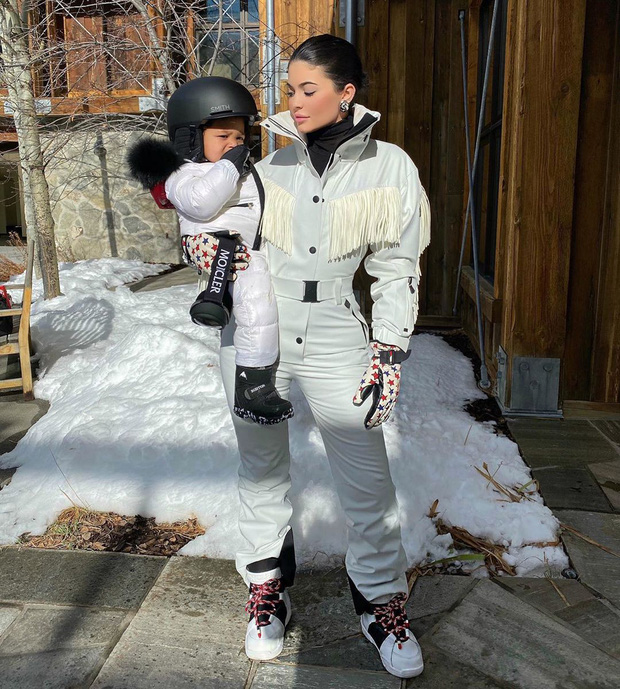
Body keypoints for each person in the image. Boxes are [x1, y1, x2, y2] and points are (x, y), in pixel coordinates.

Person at [196, 35, 431, 679]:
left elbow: (397, 270)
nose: (293, 102)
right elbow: (214, 228)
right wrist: (205, 251)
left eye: (308, 89)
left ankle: (381, 604)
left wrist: (389, 348)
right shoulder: (267, 167)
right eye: (289, 90)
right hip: (257, 331)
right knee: (261, 469)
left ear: (346, 93)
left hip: (336, 329)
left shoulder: (390, 167)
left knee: (368, 479)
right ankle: (267, 592)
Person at [126, 77, 293, 425]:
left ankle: (257, 375)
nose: (234, 144)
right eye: (223, 137)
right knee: (255, 298)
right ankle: (253, 383)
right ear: (191, 137)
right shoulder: (182, 173)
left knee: (259, 298)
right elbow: (201, 203)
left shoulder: (240, 172)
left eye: (240, 138)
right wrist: (230, 164)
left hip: (245, 251)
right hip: (229, 255)